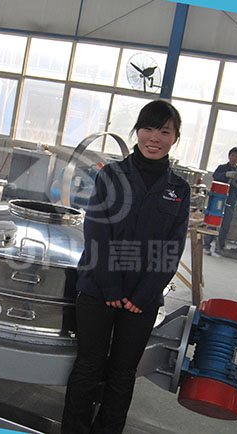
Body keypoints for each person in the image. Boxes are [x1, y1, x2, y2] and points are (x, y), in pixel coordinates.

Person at [62, 100, 190, 434]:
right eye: (148, 128)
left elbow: (172, 248)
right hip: (98, 289)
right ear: (137, 131)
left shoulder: (178, 190)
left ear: (175, 137)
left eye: (165, 131)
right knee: (89, 367)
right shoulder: (111, 175)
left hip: (142, 300)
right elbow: (97, 232)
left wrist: (143, 295)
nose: (155, 137)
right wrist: (112, 287)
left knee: (122, 374)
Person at [203, 147, 237, 256]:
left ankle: (220, 248)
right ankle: (206, 246)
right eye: (232, 155)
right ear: (229, 156)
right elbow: (216, 176)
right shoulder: (222, 168)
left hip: (231, 201)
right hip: (218, 201)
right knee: (213, 222)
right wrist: (226, 175)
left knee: (225, 226)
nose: (234, 158)